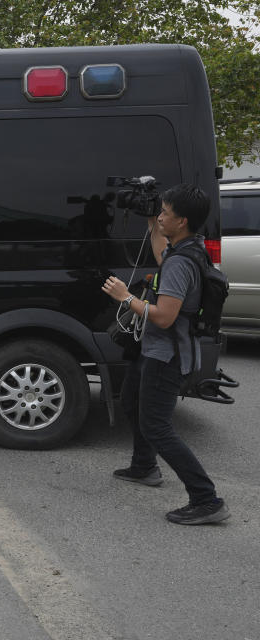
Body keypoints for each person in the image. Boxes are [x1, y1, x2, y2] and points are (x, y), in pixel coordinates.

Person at [101, 184, 229, 525]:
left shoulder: (180, 264)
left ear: (182, 220)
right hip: (155, 349)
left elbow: (164, 315)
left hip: (167, 354)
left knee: (157, 427)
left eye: (165, 213)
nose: (161, 216)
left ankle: (207, 499)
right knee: (131, 401)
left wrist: (124, 297)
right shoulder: (188, 248)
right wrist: (149, 221)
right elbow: (161, 254)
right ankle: (144, 467)